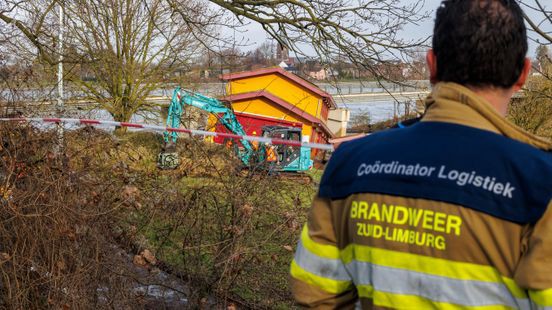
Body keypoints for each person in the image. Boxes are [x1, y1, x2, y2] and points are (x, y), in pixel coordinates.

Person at [290, 0, 552, 308]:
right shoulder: (540, 183)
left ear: (432, 65)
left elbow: (314, 294)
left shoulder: (350, 165)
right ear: (523, 73)